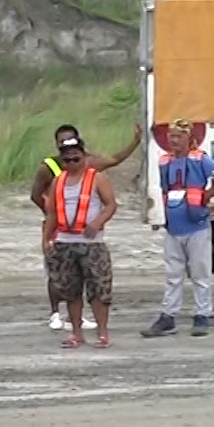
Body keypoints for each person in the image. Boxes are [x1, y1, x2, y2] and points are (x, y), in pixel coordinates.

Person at [31, 122, 143, 332]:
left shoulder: (90, 166)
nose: (71, 160)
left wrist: (136, 142)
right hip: (60, 227)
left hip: (88, 233)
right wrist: (51, 215)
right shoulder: (48, 167)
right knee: (57, 274)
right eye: (63, 143)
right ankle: (56, 313)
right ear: (56, 144)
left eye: (72, 146)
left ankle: (89, 325)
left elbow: (114, 161)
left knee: (94, 281)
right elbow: (35, 194)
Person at [142, 118, 214, 338]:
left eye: (178, 136)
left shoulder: (200, 160)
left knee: (200, 273)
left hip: (197, 226)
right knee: (173, 274)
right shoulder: (164, 162)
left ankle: (202, 316)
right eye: (171, 136)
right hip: (174, 227)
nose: (173, 140)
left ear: (189, 138)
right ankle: (168, 316)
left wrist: (208, 195)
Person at [42, 135, 118, 349]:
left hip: (92, 244)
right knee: (70, 290)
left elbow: (111, 205)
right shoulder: (58, 182)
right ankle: (77, 333)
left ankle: (102, 333)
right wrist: (46, 239)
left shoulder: (97, 178)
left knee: (99, 290)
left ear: (84, 157)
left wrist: (98, 222)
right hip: (64, 242)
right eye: (67, 160)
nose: (72, 163)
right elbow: (52, 213)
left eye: (76, 158)